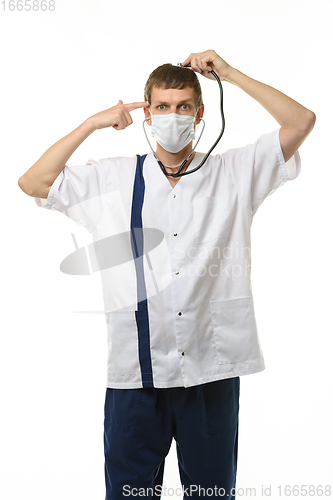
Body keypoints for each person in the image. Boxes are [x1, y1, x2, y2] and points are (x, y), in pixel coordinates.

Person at [18, 49, 316, 499]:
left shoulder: (234, 171)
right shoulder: (114, 177)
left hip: (210, 371)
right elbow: (33, 182)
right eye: (161, 106)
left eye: (182, 107)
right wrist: (91, 124)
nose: (171, 116)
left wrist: (229, 74)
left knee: (212, 494)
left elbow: (302, 121)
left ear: (199, 115)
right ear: (147, 114)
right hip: (136, 376)